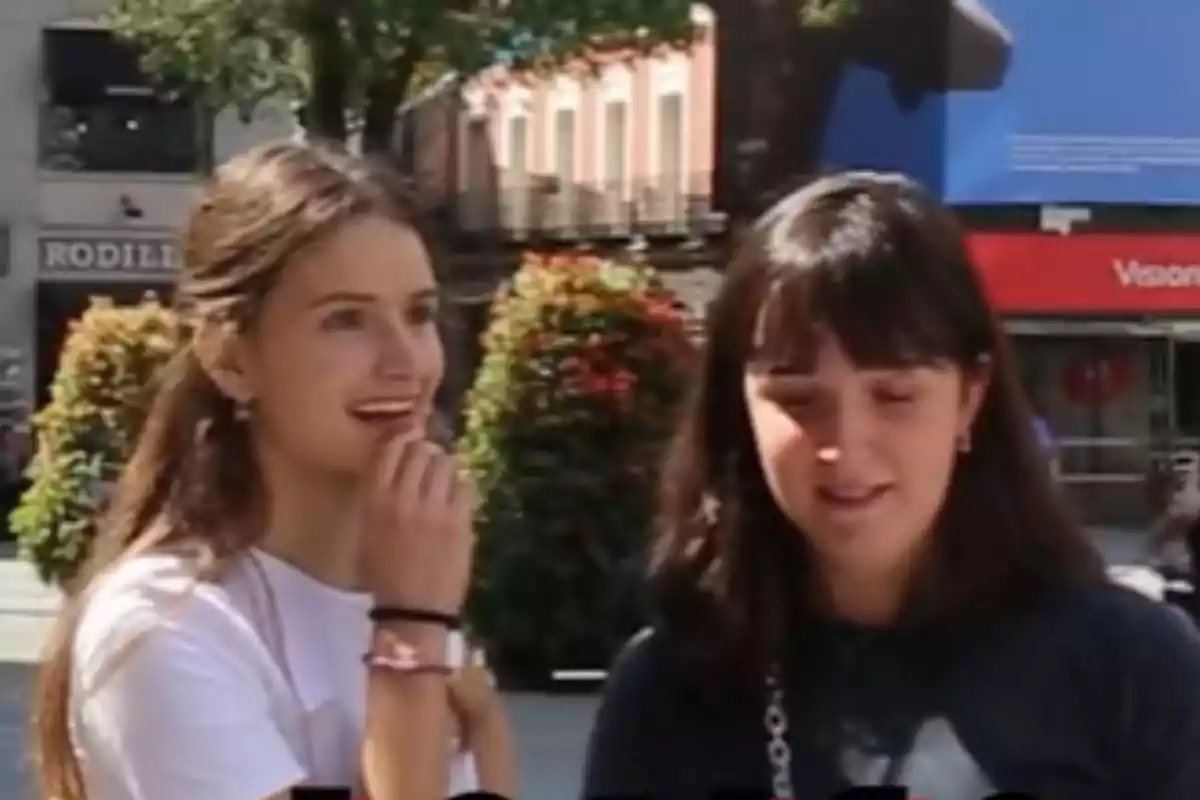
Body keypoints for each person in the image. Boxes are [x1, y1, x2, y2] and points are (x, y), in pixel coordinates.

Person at [582, 172, 1200, 800]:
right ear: (741, 411)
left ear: (969, 397)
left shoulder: (1131, 672)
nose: (846, 444)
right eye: (799, 399)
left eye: (895, 395)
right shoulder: (666, 693)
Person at [33, 141, 515, 800]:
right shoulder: (167, 625)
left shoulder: (408, 592)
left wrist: (470, 701)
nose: (406, 361)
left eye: (419, 314)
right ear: (230, 358)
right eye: (345, 320)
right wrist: (410, 635)